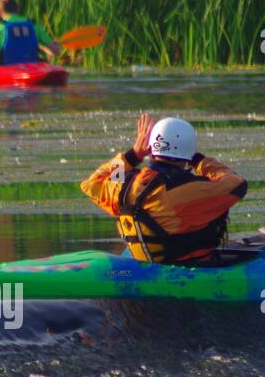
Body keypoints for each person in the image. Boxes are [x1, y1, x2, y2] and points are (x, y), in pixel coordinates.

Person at [79, 113, 248, 264]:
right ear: (189, 150)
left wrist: (133, 155)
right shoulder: (194, 191)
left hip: (147, 263)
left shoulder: (123, 186)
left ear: (151, 149)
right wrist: (198, 160)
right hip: (193, 266)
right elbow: (237, 184)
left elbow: (92, 183)